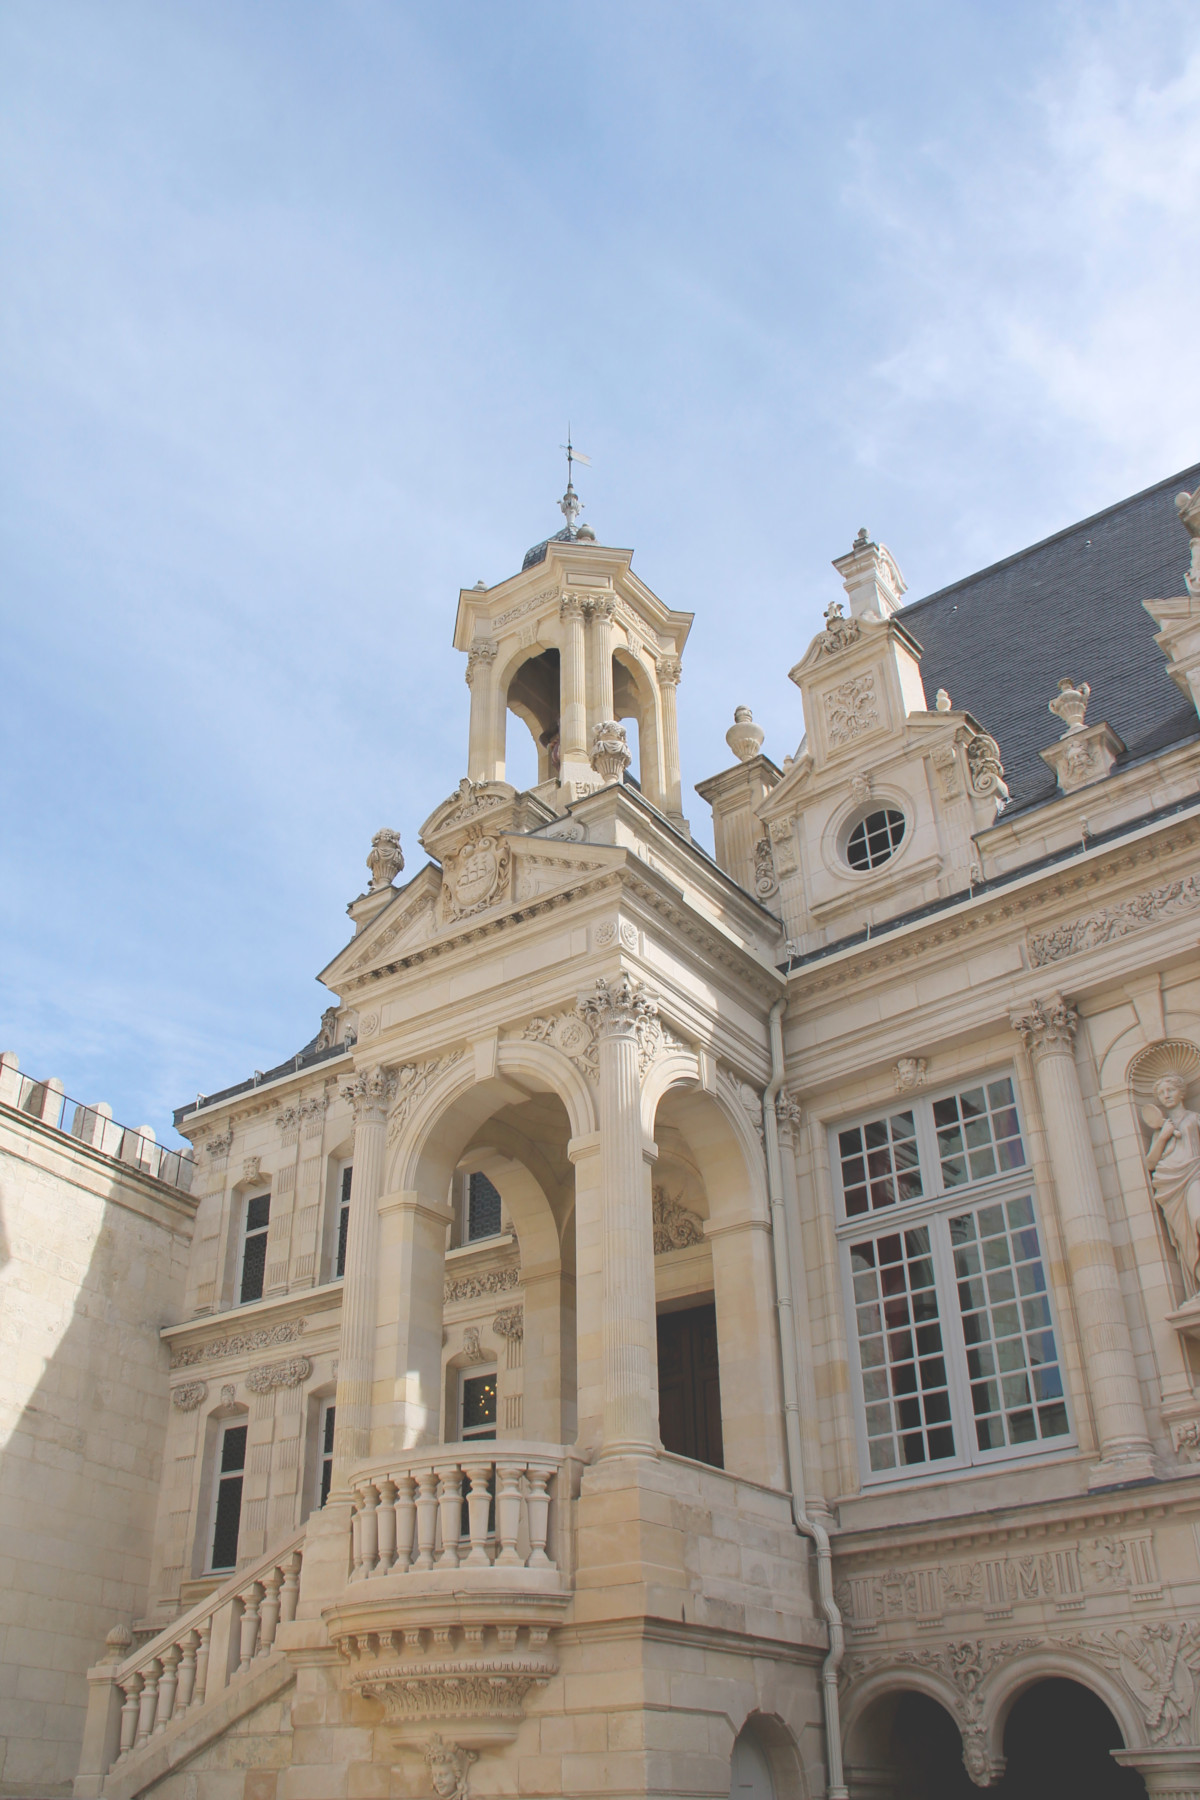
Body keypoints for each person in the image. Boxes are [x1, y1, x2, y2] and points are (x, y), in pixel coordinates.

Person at [1146, 1073, 1200, 1288]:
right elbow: (1150, 1163)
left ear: (1182, 1092)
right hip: (1171, 1184)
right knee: (1186, 1239)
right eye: (1161, 1092)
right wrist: (1164, 1136)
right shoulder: (1161, 1129)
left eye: (1170, 1090)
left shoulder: (1194, 1119)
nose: (1166, 1095)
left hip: (1195, 1174)